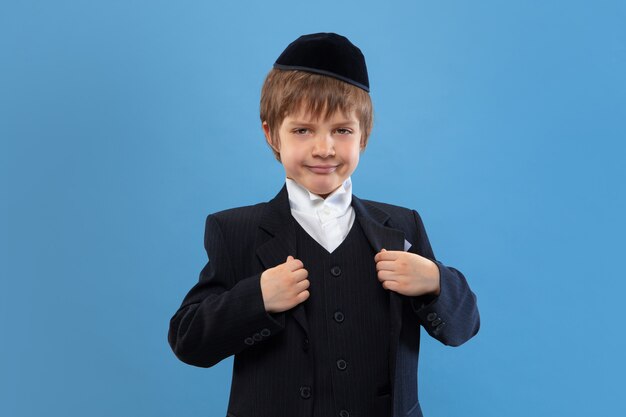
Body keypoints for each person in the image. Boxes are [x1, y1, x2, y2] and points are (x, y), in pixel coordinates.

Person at [168, 32, 480, 417]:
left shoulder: (402, 226)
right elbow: (188, 340)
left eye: (342, 130)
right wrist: (257, 299)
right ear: (272, 134)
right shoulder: (235, 230)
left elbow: (463, 327)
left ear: (363, 135)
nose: (324, 148)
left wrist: (434, 281)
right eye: (303, 130)